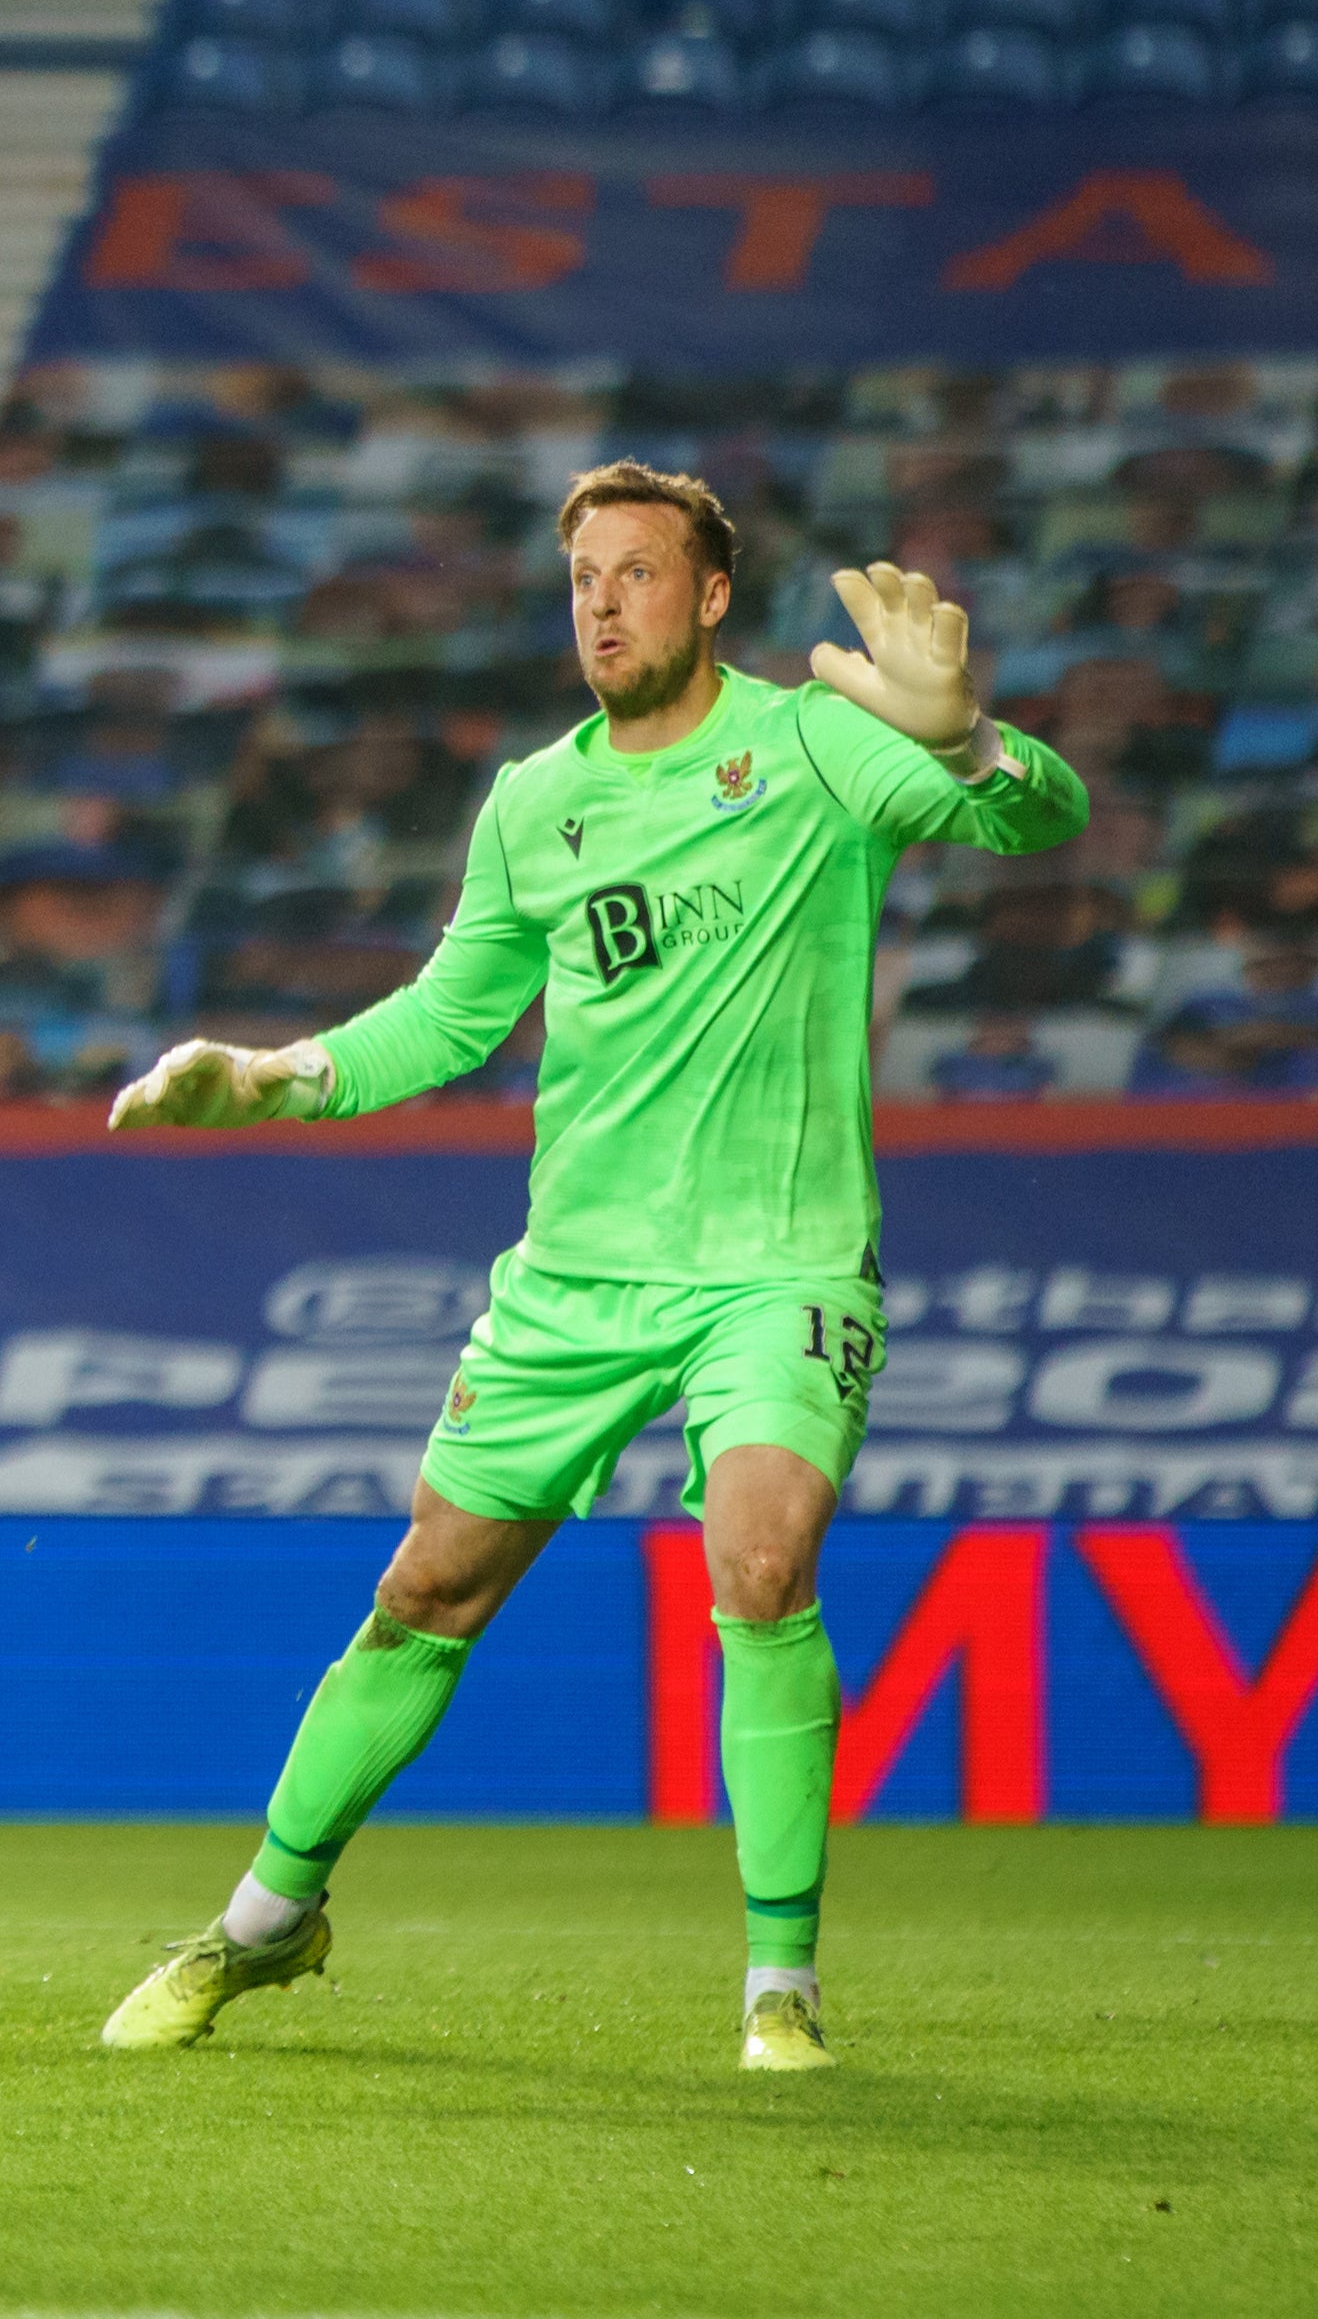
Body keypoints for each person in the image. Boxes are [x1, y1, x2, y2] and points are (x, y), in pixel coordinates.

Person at [100, 464, 1087, 2073]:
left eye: (637, 572)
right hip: (576, 1279)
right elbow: (449, 1016)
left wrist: (967, 735)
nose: (603, 602)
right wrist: (276, 1071)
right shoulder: (529, 803)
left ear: (707, 594)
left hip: (777, 1261)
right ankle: (263, 1925)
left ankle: (780, 1985)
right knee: (425, 1593)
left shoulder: (813, 743)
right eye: (581, 578)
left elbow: (1031, 820)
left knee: (760, 1564)